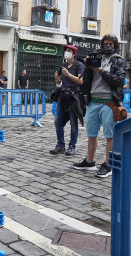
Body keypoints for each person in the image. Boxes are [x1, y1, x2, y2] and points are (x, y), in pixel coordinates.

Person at [72, 34, 126, 178]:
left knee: (110, 135)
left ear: (115, 46)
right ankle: (90, 162)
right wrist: (88, 66)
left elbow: (118, 81)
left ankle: (108, 165)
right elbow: (86, 81)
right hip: (93, 101)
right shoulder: (96, 58)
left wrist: (100, 70)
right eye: (105, 43)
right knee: (91, 133)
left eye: (110, 44)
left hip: (109, 101)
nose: (107, 46)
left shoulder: (118, 61)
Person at [50, 44, 84, 157]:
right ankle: (60, 145)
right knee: (57, 121)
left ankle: (72, 146)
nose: (67, 53)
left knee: (73, 123)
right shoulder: (63, 65)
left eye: (69, 51)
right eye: (66, 51)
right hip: (63, 96)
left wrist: (68, 74)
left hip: (73, 97)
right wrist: (57, 79)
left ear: (74, 54)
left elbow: (80, 81)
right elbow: (59, 83)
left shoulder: (78, 65)